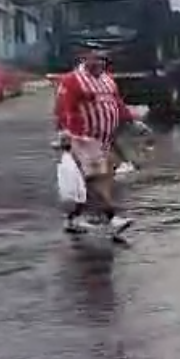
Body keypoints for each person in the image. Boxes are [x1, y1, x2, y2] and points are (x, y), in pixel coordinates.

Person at [54, 47, 134, 237]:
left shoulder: (107, 80)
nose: (100, 63)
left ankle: (73, 219)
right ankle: (112, 218)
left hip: (104, 140)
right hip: (84, 140)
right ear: (85, 60)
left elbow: (117, 102)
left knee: (89, 182)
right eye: (95, 59)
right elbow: (65, 109)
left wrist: (130, 120)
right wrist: (70, 134)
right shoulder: (73, 80)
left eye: (102, 59)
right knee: (96, 180)